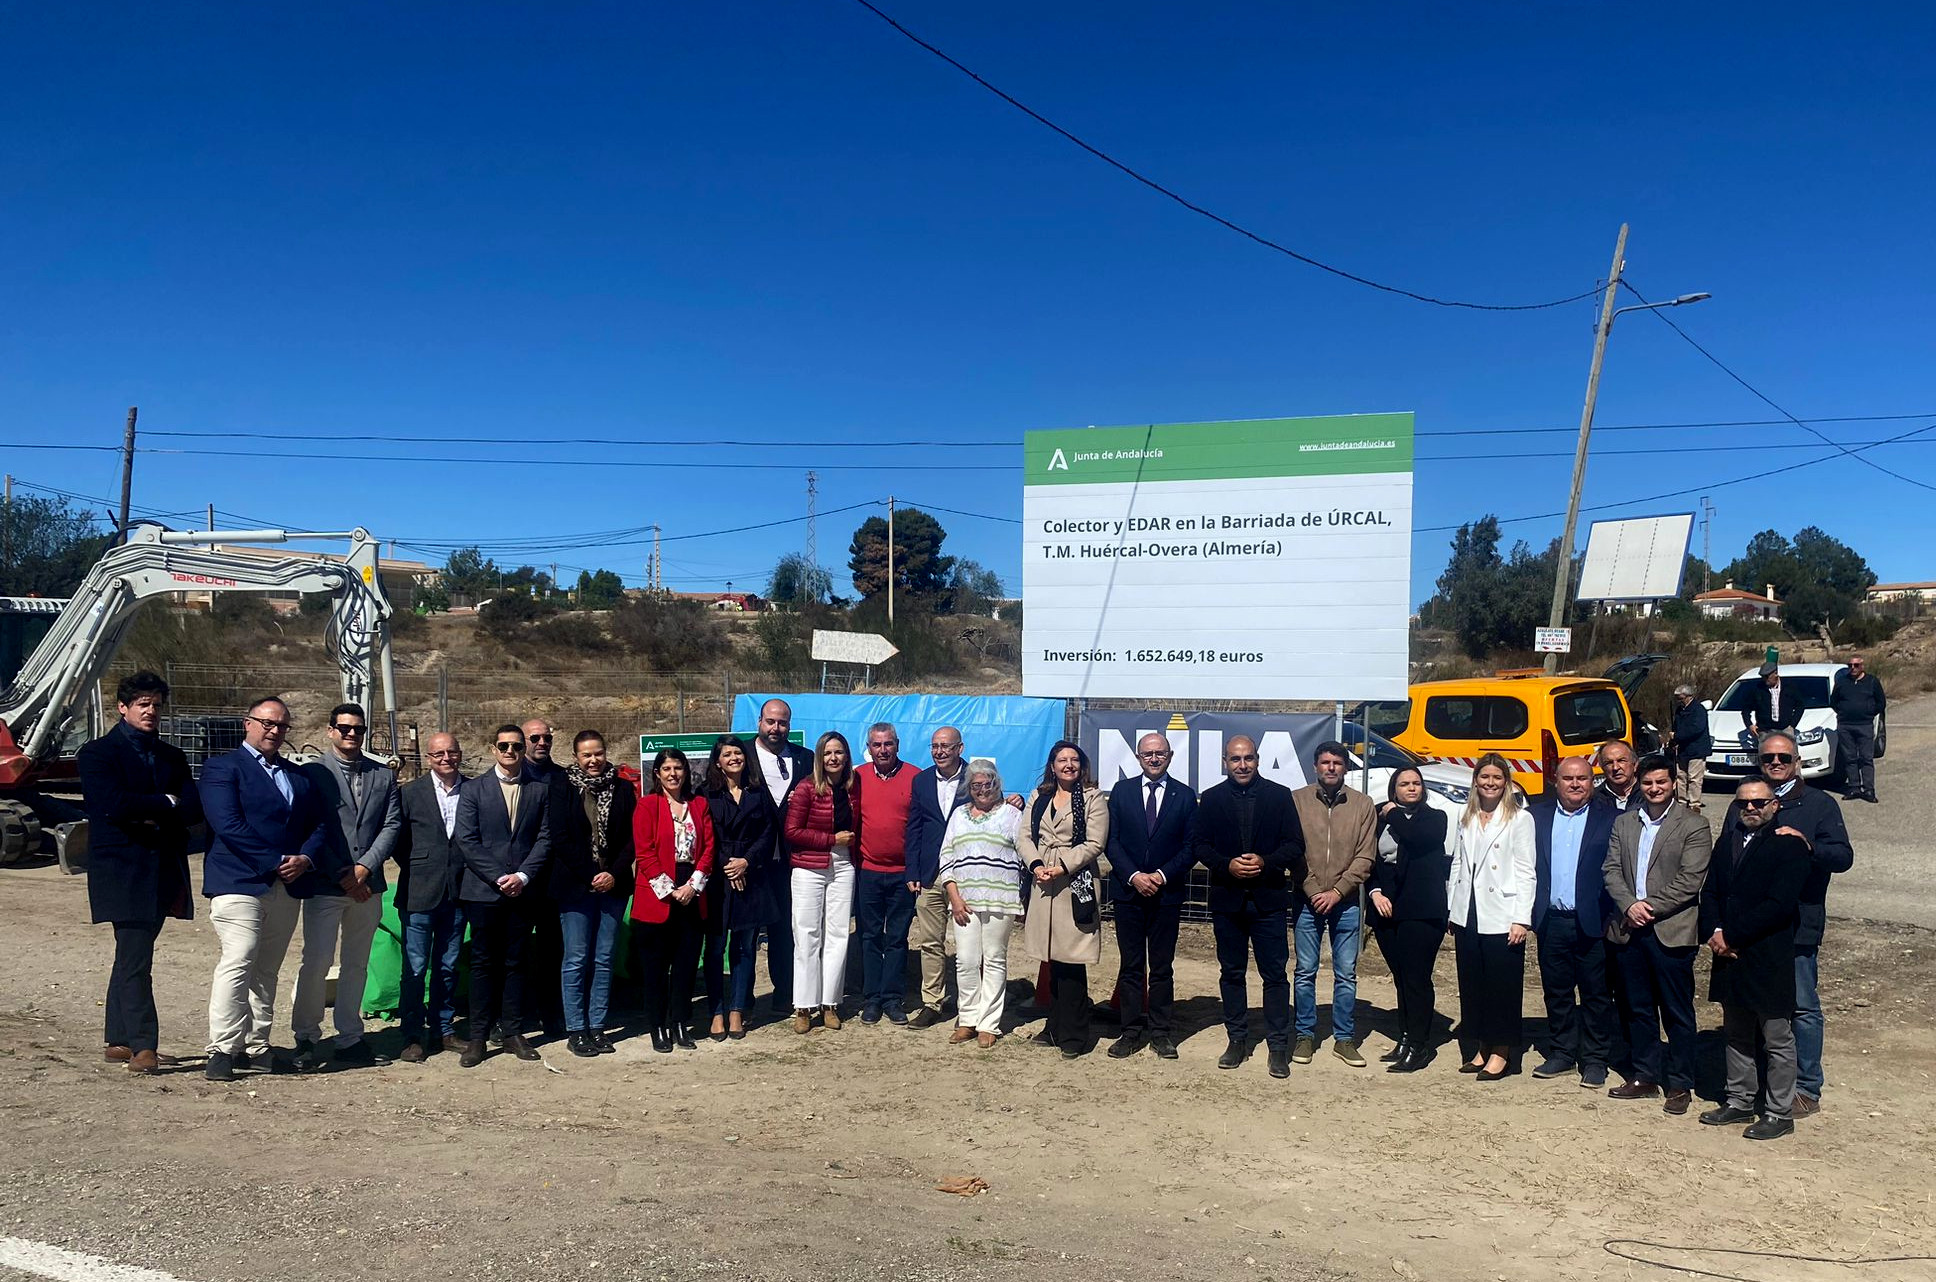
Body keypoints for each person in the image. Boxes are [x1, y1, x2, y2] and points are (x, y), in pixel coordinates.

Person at [199, 697, 337, 1082]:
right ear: (248, 723)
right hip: (239, 881)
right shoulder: (222, 768)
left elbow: (318, 826)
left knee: (266, 970)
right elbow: (228, 823)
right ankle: (223, 1048)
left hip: (286, 886)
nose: (274, 731)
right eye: (267, 723)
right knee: (239, 958)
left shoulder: (297, 777)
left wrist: (305, 859)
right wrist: (275, 860)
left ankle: (257, 1045)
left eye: (281, 726)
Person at [1717, 730, 1853, 1118]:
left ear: (1797, 762)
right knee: (1753, 1006)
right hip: (1749, 930)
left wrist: (1809, 845)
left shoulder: (1818, 804)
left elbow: (1843, 856)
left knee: (1802, 1006)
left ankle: (1805, 1088)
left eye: (1783, 758)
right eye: (1767, 759)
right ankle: (1756, 1086)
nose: (1775, 763)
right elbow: (1729, 861)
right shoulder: (1742, 801)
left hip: (1798, 924)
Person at [75, 670, 204, 1075]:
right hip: (122, 870)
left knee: (131, 954)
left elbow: (192, 807)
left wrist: (153, 809)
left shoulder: (171, 756)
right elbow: (110, 804)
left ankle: (119, 1038)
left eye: (156, 705)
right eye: (143, 704)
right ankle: (144, 1046)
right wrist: (162, 805)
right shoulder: (97, 753)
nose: (151, 711)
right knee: (135, 958)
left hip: (162, 868)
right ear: (123, 707)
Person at [1699, 779, 1811, 1141]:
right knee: (1735, 1032)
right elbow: (1711, 891)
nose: (1750, 808)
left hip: (1766, 955)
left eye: (1759, 802)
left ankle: (1779, 1112)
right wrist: (1715, 932)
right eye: (1743, 803)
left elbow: (1779, 905)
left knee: (1777, 1036)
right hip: (1729, 956)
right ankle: (1740, 1100)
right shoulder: (1726, 843)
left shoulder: (1789, 847)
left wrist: (1733, 936)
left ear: (1774, 805)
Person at [1603, 755, 1712, 1115]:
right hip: (1629, 929)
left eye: (1661, 783)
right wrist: (1628, 906)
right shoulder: (1624, 823)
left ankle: (1680, 1082)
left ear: (1672, 784)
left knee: (1676, 1010)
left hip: (1670, 930)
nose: (1654, 789)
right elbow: (1611, 871)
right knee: (1637, 1007)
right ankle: (1645, 1074)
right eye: (1648, 783)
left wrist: (1647, 907)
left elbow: (1689, 880)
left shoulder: (1694, 825)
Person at [291, 702, 396, 1070]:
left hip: (369, 885)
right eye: (345, 728)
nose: (352, 734)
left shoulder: (383, 775)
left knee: (357, 964)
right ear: (330, 730)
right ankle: (305, 1036)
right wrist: (343, 873)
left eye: (358, 729)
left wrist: (365, 867)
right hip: (325, 883)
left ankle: (351, 1037)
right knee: (316, 961)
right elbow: (311, 827)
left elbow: (391, 825)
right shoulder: (312, 773)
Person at [1194, 736, 1304, 1077]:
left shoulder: (1278, 796)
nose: (1242, 765)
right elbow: (1199, 844)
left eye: (1248, 759)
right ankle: (1237, 1040)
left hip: (1268, 899)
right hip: (1229, 900)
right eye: (1235, 759)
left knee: (1274, 975)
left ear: (1257, 760)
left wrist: (1266, 861)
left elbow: (1295, 844)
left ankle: (1277, 1046)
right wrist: (1226, 865)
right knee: (1232, 973)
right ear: (1225, 762)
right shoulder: (1211, 799)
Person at [452, 723, 553, 1068]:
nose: (510, 752)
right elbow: (467, 840)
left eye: (516, 747)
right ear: (493, 749)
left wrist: (523, 876)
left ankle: (512, 1032)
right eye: (504, 746)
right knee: (483, 964)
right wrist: (498, 877)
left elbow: (544, 838)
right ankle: (478, 1037)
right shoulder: (474, 790)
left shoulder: (539, 790)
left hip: (523, 892)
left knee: (517, 962)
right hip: (484, 891)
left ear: (524, 750)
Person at [1104, 734, 1197, 1060]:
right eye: (1148, 754)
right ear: (1138, 757)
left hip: (1165, 893)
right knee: (1131, 966)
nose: (1154, 759)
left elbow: (1190, 848)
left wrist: (1159, 876)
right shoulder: (1121, 791)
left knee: (1161, 967)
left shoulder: (1185, 796)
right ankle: (1130, 1031)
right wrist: (1134, 876)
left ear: (1169, 756)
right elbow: (1110, 841)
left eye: (1160, 753)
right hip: (1128, 892)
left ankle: (1160, 1032)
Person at [1528, 756, 1619, 1088]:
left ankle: (1595, 1059)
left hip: (1592, 921)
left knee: (1595, 994)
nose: (1576, 784)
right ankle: (1563, 1053)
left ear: (1592, 782)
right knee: (1557, 991)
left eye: (1583, 778)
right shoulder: (1535, 816)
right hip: (1551, 920)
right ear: (1556, 781)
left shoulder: (1611, 819)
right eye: (1569, 778)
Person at [1447, 754, 1537, 1081]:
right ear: (1475, 780)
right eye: (1484, 776)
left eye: (1496, 777)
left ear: (1506, 781)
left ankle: (1502, 1052)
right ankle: (1482, 1046)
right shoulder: (1466, 815)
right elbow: (1458, 864)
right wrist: (1453, 908)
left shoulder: (1519, 818)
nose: (1490, 782)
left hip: (1502, 912)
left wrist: (1521, 918)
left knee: (1502, 986)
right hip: (1468, 911)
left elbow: (1527, 872)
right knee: (1473, 984)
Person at [1019, 740, 1110, 1059]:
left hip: (1076, 880)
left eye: (1074, 759)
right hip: (1043, 882)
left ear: (1081, 765)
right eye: (1062, 760)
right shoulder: (1039, 796)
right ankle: (1054, 1025)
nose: (1068, 765)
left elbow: (1096, 842)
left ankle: (1074, 1034)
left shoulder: (1092, 798)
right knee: (1052, 956)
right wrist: (1037, 865)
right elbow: (1025, 837)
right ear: (1052, 765)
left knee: (1071, 958)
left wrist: (1061, 866)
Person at [1289, 741, 1376, 1067]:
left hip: (1348, 901)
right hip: (1306, 898)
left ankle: (1344, 1038)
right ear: (1315, 766)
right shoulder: (1297, 800)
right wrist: (1312, 889)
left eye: (1337, 763)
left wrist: (1338, 891)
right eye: (1325, 762)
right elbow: (1293, 850)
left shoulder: (1362, 805)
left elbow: (1366, 856)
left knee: (1346, 974)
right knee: (1305, 971)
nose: (1330, 767)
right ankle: (1305, 1036)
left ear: (1345, 767)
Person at [551, 730, 635, 1058]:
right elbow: (560, 837)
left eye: (598, 753)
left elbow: (632, 837)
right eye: (586, 755)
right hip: (575, 885)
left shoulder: (624, 788)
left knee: (603, 958)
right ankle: (576, 1028)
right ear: (576, 757)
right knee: (575, 958)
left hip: (613, 885)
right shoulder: (561, 786)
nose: (593, 760)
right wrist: (591, 874)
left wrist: (612, 873)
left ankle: (597, 1025)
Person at [937, 761, 1027, 1048]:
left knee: (994, 959)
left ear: (996, 784)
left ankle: (989, 1023)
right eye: (976, 785)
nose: (982, 790)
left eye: (987, 784)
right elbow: (946, 857)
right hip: (964, 901)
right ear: (969, 788)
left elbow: (1024, 851)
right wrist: (954, 896)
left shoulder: (1012, 815)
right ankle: (968, 1019)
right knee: (965, 960)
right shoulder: (959, 816)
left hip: (1000, 899)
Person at [700, 735, 785, 1039]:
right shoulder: (706, 794)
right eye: (727, 754)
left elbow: (767, 832)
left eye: (738, 752)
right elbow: (705, 834)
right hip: (717, 881)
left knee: (745, 948)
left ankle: (737, 1009)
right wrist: (728, 864)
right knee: (715, 949)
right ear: (718, 760)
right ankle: (716, 1012)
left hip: (751, 878)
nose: (734, 757)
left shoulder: (758, 792)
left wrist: (745, 862)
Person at [632, 747, 714, 1052]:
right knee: (655, 970)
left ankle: (681, 1022)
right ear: (657, 773)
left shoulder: (699, 805)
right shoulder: (647, 806)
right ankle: (657, 1026)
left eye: (678, 768)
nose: (673, 774)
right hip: (658, 898)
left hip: (692, 893)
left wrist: (693, 886)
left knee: (685, 966)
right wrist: (671, 890)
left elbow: (708, 849)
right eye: (666, 768)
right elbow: (644, 852)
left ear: (686, 771)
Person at [1367, 766, 1449, 1073]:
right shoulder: (1380, 819)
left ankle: (1419, 1044)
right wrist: (1374, 891)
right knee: (1401, 977)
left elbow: (1415, 839)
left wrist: (1392, 814)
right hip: (1387, 908)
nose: (1411, 788)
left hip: (1422, 910)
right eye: (1404, 784)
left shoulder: (1434, 818)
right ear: (1393, 789)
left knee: (1416, 978)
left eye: (1416, 783)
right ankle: (1404, 1035)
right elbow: (1368, 858)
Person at [393, 732, 467, 1062]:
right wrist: (421, 863)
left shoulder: (474, 789)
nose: (446, 758)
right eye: (438, 754)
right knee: (415, 967)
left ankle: (443, 1029)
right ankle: (411, 1034)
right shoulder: (409, 793)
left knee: (448, 966)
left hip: (459, 892)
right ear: (428, 758)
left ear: (460, 754)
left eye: (451, 752)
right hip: (419, 893)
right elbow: (397, 840)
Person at [785, 731, 860, 1033]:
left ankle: (830, 1003)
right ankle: (803, 1006)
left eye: (839, 752)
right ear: (819, 757)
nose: (833, 758)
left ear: (846, 756)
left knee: (838, 933)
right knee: (806, 935)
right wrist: (831, 839)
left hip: (843, 864)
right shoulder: (805, 788)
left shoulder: (854, 786)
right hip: (809, 866)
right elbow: (791, 831)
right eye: (828, 753)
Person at [903, 725, 972, 1028]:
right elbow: (914, 828)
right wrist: (912, 870)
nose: (940, 751)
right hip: (929, 874)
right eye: (935, 746)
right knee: (931, 942)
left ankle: (970, 1005)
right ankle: (932, 1002)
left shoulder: (977, 777)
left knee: (971, 942)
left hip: (968, 874)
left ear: (960, 748)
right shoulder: (920, 781)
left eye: (946, 746)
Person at [853, 722, 917, 1025]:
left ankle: (892, 998)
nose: (882, 750)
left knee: (897, 938)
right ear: (869, 747)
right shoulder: (857, 777)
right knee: (869, 937)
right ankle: (872, 999)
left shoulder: (915, 777)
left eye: (888, 744)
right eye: (876, 745)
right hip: (868, 871)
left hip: (904, 874)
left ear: (897, 744)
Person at [752, 699, 814, 1012]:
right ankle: (741, 1001)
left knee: (786, 930)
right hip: (751, 862)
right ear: (760, 721)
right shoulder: (743, 757)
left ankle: (785, 991)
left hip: (792, 862)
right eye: (771, 722)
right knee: (747, 934)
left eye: (782, 723)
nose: (776, 729)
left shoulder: (805, 759)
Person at [518, 717, 567, 1040]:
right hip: (518, 879)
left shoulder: (562, 777)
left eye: (546, 738)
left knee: (553, 951)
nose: (541, 743)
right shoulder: (511, 775)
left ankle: (553, 1015)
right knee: (515, 951)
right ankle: (515, 1018)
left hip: (553, 879)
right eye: (534, 737)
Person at [1830, 655, 1885, 802]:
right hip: (1845, 726)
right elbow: (1833, 701)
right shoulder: (1842, 682)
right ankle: (1854, 788)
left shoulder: (1872, 681)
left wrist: (1869, 712)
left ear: (1862, 666)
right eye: (1850, 665)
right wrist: (1842, 712)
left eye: (1856, 665)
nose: (1852, 668)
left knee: (1866, 758)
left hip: (1864, 725)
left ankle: (1869, 790)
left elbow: (1881, 702)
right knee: (1849, 758)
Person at [1666, 685, 1712, 814]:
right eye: (1677, 699)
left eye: (1680, 698)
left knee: (1694, 778)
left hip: (1697, 749)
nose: (1678, 701)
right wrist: (1673, 741)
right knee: (1680, 776)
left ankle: (1694, 803)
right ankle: (1681, 801)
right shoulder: (1679, 710)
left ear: (1689, 696)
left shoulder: (1698, 710)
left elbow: (1696, 729)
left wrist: (1677, 736)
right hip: (1682, 749)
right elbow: (1676, 726)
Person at [1595, 740, 1639, 811]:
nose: (1615, 767)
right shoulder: (1593, 800)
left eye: (1621, 760)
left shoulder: (1649, 793)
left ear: (1635, 764)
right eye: (1609, 763)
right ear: (1602, 768)